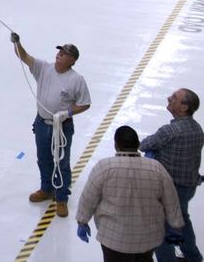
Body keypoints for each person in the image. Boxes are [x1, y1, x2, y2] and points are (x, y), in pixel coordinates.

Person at [76, 125, 183, 261]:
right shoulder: (156, 168)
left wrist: (82, 221)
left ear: (116, 145)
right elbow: (171, 199)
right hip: (148, 239)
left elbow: (88, 198)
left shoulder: (105, 167)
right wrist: (176, 226)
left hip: (114, 239)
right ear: (138, 144)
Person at [12, 34, 91, 217]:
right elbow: (24, 57)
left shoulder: (76, 80)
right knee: (44, 158)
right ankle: (46, 189)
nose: (59, 55)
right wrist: (17, 42)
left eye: (64, 54)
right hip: (42, 123)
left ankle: (62, 198)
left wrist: (68, 113)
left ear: (72, 60)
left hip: (61, 127)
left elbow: (85, 103)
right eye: (60, 51)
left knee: (62, 162)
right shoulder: (44, 68)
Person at [141, 88, 204, 262]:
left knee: (161, 229)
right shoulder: (197, 129)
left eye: (174, 98)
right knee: (182, 220)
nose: (169, 98)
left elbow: (145, 145)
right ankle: (194, 258)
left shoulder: (170, 131)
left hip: (170, 189)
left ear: (184, 107)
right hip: (188, 186)